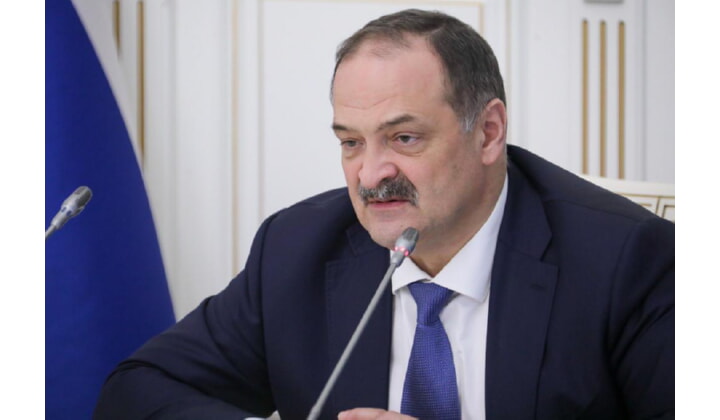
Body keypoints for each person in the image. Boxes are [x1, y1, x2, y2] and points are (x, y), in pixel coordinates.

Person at [94, 9, 674, 420]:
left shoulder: (628, 260)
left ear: (488, 132)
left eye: (403, 137)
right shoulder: (296, 249)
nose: (371, 175)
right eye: (351, 142)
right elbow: (136, 391)